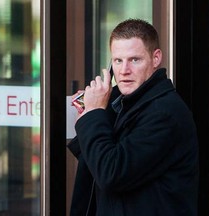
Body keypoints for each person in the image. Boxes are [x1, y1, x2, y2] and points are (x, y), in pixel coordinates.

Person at [68, 18, 199, 216]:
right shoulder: (124, 101)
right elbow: (100, 158)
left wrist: (94, 115)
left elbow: (111, 173)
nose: (124, 70)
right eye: (117, 60)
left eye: (134, 60)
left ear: (156, 58)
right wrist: (91, 115)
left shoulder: (164, 113)